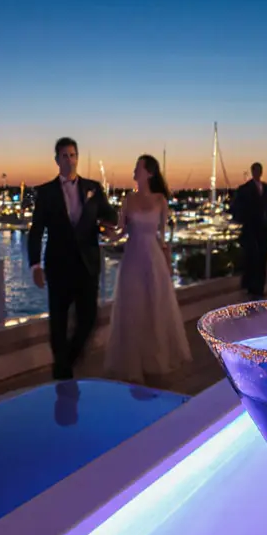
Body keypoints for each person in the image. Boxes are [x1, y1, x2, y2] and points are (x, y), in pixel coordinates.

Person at [28, 137, 118, 380]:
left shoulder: (93, 187)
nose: (69, 160)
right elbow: (36, 230)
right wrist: (35, 264)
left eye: (72, 155)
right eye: (64, 156)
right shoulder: (45, 192)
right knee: (57, 322)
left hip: (87, 265)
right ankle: (63, 375)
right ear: (57, 160)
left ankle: (64, 365)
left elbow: (108, 214)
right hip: (58, 265)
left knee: (88, 319)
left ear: (77, 158)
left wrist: (111, 221)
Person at [103, 155, 192, 384]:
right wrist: (105, 232)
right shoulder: (128, 199)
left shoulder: (161, 200)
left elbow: (162, 238)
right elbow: (121, 232)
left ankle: (154, 358)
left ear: (148, 173)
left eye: (138, 167)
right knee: (133, 307)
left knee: (154, 308)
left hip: (153, 259)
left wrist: (168, 264)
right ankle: (135, 362)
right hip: (133, 257)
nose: (134, 170)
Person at [230, 162, 267, 300]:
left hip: (263, 229)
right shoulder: (244, 189)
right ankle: (251, 287)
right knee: (252, 258)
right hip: (251, 229)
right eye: (255, 170)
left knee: (262, 258)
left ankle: (259, 287)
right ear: (252, 171)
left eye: (259, 170)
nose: (258, 172)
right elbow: (237, 207)